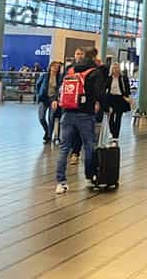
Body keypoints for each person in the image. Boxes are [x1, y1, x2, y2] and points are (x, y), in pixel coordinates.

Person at [53, 47, 104, 194]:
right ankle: (89, 177)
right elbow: (99, 93)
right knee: (89, 145)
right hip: (85, 114)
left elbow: (60, 89)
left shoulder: (70, 70)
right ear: (94, 57)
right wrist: (101, 106)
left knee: (64, 148)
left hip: (67, 112)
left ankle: (61, 182)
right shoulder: (94, 71)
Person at [103, 62, 131, 141]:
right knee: (110, 117)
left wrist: (127, 97)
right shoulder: (109, 78)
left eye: (117, 68)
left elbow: (127, 88)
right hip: (111, 98)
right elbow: (105, 88)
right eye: (114, 68)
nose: (115, 70)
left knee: (118, 117)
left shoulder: (123, 78)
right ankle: (112, 132)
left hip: (120, 99)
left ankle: (116, 136)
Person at [36, 61, 62, 143]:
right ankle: (47, 131)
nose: (55, 68)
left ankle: (49, 136)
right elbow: (38, 85)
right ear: (50, 67)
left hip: (53, 100)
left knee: (51, 118)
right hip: (43, 98)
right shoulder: (44, 76)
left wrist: (56, 99)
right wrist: (39, 94)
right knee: (41, 117)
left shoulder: (59, 78)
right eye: (54, 66)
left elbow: (59, 89)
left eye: (57, 67)